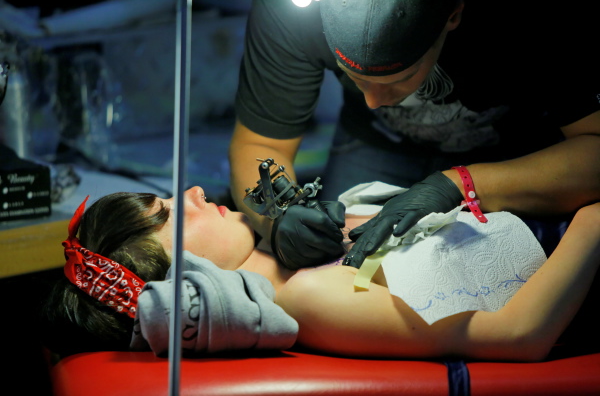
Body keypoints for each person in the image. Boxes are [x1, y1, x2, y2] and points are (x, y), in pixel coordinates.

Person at [229, 0, 600, 270]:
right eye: (354, 78)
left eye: (401, 78)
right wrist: (277, 216)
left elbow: (595, 151)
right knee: (332, 261)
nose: (374, 101)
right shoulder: (292, 10)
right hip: (376, 145)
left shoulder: (537, 15)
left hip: (520, 151)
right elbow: (259, 144)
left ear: (453, 15)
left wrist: (459, 184)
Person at [40, 186, 600, 362]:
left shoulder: (306, 249)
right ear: (180, 281)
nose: (193, 192)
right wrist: (593, 218)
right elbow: (519, 334)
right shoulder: (310, 297)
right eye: (169, 216)